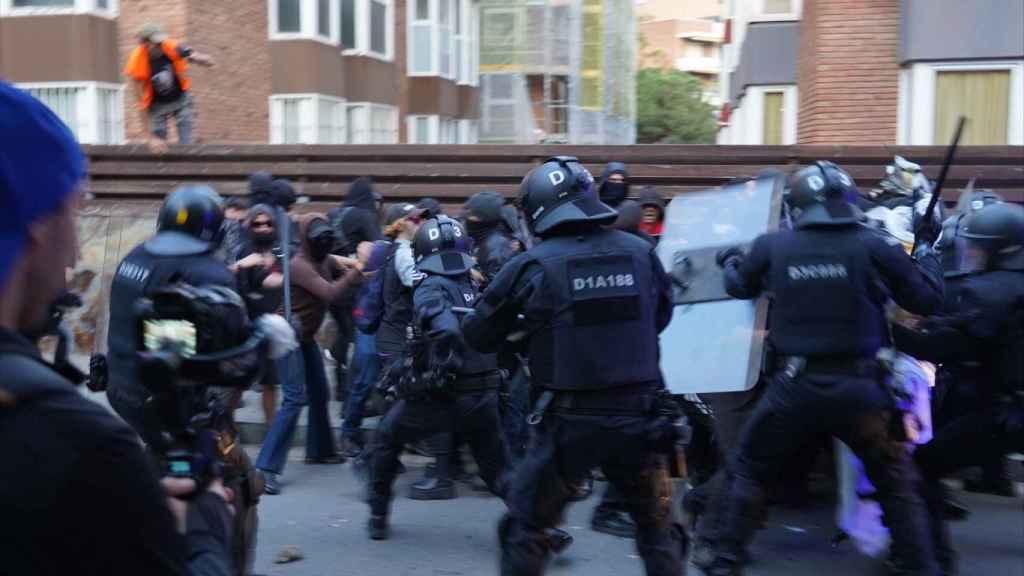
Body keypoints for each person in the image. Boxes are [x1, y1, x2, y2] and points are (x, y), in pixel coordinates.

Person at [0, 80, 233, 575]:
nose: (77, 254)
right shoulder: (72, 442)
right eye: (74, 212)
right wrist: (206, 529)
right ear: (36, 225)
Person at [700, 161, 945, 576]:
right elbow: (927, 300)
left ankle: (725, 560)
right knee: (895, 483)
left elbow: (738, 285)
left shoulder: (772, 246)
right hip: (861, 388)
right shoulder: (873, 245)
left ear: (797, 206)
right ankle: (920, 566)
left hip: (795, 386)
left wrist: (728, 259)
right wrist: (926, 252)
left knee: (750, 470)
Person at [463, 156, 686, 576]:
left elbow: (477, 334)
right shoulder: (641, 252)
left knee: (527, 530)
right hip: (641, 417)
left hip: (568, 425)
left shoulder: (531, 264)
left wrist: (529, 327)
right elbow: (661, 317)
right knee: (658, 535)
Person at [893, 202, 1024, 575]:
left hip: (1005, 413)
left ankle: (930, 562)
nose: (972, 256)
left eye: (979, 249)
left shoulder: (991, 292)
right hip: (1007, 405)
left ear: (1004, 250)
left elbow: (952, 344)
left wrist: (891, 330)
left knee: (921, 468)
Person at [366, 216, 509, 539]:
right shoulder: (473, 285)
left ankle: (377, 514)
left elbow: (443, 326)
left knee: (387, 439)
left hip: (440, 393)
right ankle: (537, 525)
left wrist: (442, 360)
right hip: (483, 393)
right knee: (498, 469)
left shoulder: (430, 285)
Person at [106, 185, 237, 435]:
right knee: (220, 457)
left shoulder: (135, 256)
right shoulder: (207, 272)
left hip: (120, 387)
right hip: (169, 398)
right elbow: (230, 342)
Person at [255, 214, 366, 494]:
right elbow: (331, 293)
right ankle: (264, 469)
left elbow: (352, 278)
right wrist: (358, 267)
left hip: (303, 336)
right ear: (305, 239)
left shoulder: (325, 260)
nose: (324, 242)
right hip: (286, 335)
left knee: (319, 390)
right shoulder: (299, 265)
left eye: (327, 237)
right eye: (319, 238)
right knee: (294, 399)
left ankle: (320, 450)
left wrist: (377, 266)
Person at [340, 203, 427, 459]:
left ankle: (391, 443)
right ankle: (349, 432)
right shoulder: (383, 250)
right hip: (372, 322)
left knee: (389, 385)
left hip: (389, 326)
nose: (419, 224)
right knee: (366, 379)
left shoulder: (408, 250)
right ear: (400, 224)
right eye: (413, 220)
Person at [327, 177, 383, 408]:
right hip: (356, 282)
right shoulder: (364, 215)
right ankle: (354, 393)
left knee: (343, 332)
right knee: (358, 338)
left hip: (332, 281)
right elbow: (378, 248)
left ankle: (340, 387)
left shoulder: (334, 214)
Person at [232, 204, 285, 427]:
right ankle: (226, 429)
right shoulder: (245, 252)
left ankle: (271, 428)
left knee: (270, 382)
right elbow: (237, 286)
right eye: (257, 224)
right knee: (237, 382)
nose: (263, 228)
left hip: (273, 324)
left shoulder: (281, 251)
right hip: (249, 325)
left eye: (267, 224)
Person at [124, 22, 214, 151]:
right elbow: (140, 105)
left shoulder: (170, 46)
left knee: (186, 144)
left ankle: (187, 166)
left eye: (162, 42)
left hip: (181, 100)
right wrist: (150, 138)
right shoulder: (136, 64)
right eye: (157, 44)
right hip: (156, 107)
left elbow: (189, 54)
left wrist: (202, 59)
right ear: (145, 44)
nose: (161, 46)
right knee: (159, 144)